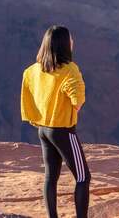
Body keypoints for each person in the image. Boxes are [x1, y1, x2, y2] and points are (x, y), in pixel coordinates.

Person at [21, 26, 90, 218]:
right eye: (71, 39)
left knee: (51, 177)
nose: (73, 42)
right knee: (83, 177)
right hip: (63, 131)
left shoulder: (34, 70)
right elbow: (78, 100)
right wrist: (71, 108)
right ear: (64, 45)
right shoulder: (69, 69)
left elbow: (29, 92)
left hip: (44, 129)